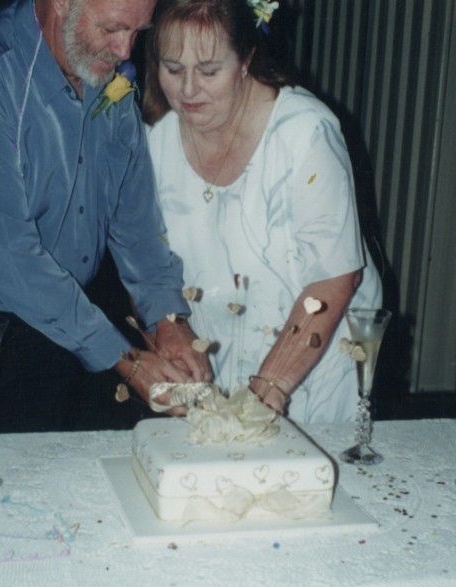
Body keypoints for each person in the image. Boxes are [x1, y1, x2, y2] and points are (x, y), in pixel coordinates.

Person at [0, 0, 211, 440]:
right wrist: (127, 362)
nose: (126, 51)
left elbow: (135, 223)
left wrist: (168, 321)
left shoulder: (102, 67)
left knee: (32, 486)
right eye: (113, 29)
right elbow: (15, 259)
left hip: (59, 316)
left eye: (137, 32)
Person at [141, 0, 383, 424]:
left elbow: (336, 277)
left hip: (308, 364)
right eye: (173, 69)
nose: (188, 90)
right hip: (214, 364)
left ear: (247, 58)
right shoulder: (156, 141)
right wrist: (166, 329)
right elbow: (143, 261)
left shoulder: (305, 132)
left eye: (210, 70)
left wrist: (268, 388)